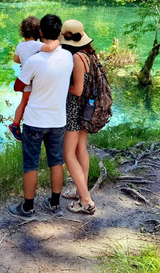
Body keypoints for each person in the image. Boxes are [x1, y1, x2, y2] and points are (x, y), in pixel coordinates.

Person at [9, 14, 73, 219]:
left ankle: (27, 208)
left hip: (35, 120)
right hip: (57, 120)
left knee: (31, 164)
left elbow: (18, 86)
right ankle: (55, 204)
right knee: (56, 161)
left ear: (40, 33)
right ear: (60, 33)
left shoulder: (35, 61)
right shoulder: (68, 57)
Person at [59, 20, 97, 215]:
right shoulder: (89, 54)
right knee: (81, 149)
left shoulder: (76, 58)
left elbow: (78, 89)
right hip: (87, 110)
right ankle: (81, 191)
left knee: (68, 154)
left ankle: (86, 201)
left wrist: (59, 87)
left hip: (75, 110)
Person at [9, 16, 59, 140]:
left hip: (25, 78)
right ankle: (15, 125)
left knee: (24, 102)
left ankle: (16, 124)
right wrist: (58, 40)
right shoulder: (37, 45)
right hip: (31, 80)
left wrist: (24, 60)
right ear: (39, 31)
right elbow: (50, 48)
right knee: (27, 102)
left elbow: (16, 59)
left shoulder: (21, 45)